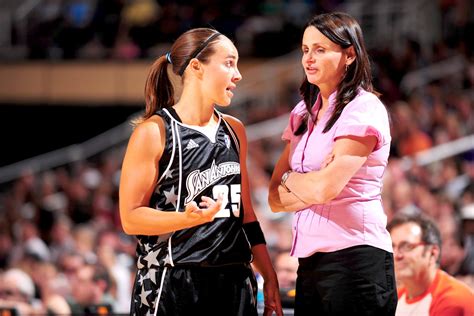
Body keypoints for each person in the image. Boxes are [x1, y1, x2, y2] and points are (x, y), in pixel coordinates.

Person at [119, 27, 282, 316]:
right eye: (229, 62)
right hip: (172, 280)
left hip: (235, 281)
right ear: (197, 67)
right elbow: (131, 218)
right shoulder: (154, 131)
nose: (238, 74)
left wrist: (268, 275)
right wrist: (185, 219)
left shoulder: (235, 131)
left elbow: (246, 214)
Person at [268, 12, 397, 315]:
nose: (309, 59)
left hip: (357, 260)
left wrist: (292, 179)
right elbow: (273, 197)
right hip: (310, 264)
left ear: (349, 54)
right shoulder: (302, 112)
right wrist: (301, 181)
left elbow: (326, 187)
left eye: (320, 49)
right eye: (305, 50)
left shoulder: (364, 108)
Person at [388, 213, 474, 315]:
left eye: (407, 246)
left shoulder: (452, 299)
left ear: (433, 253)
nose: (397, 255)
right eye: (392, 246)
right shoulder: (398, 297)